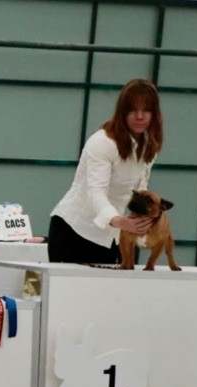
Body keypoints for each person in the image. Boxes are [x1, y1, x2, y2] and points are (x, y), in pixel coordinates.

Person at [48, 78, 163, 264]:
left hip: (112, 235)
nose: (140, 116)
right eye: (133, 110)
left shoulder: (150, 145)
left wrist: (146, 218)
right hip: (75, 230)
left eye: (146, 110)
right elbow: (96, 192)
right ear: (122, 112)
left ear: (154, 114)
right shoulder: (103, 142)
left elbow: (140, 190)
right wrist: (119, 221)